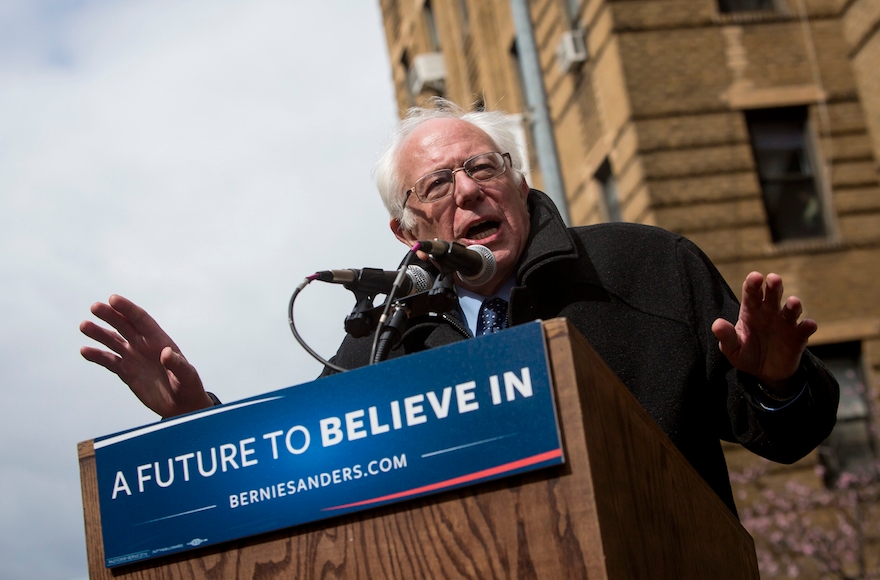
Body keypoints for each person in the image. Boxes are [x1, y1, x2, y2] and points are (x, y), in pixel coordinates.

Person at [81, 100, 839, 514]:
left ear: (515, 182)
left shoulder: (645, 265)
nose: (468, 190)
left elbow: (785, 438)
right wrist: (194, 420)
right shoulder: (384, 335)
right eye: (437, 185)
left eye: (482, 167)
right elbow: (296, 474)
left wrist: (778, 383)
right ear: (406, 230)